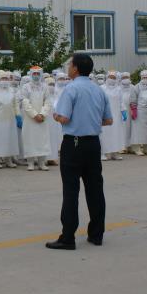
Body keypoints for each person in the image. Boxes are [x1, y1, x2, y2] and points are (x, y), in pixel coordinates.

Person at [47, 53, 112, 250]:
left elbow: (64, 117)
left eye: (70, 65)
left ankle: (68, 237)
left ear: (75, 68)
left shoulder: (71, 88)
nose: (68, 68)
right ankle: (96, 234)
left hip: (73, 144)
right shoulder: (98, 90)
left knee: (71, 191)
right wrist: (90, 121)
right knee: (95, 190)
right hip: (93, 143)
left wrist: (56, 116)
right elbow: (108, 120)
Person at [21, 66, 52, 171]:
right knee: (30, 139)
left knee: (42, 140)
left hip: (42, 119)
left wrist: (42, 114)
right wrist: (34, 115)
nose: (36, 76)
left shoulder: (45, 87)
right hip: (30, 118)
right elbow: (25, 102)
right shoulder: (26, 87)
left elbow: (47, 102)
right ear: (31, 74)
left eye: (38, 74)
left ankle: (41, 163)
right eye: (34, 74)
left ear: (41, 74)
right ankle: (30, 163)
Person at [0, 71, 19, 169]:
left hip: (10, 118)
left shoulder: (11, 90)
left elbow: (15, 104)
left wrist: (18, 115)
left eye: (6, 78)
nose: (5, 80)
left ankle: (8, 159)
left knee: (10, 139)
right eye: (3, 78)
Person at [99, 70, 124, 161]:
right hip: (105, 115)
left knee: (116, 134)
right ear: (107, 77)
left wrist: (123, 111)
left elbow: (121, 101)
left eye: (114, 78)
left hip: (116, 115)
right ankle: (103, 153)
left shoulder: (119, 89)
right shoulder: (102, 88)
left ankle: (115, 152)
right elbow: (99, 101)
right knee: (104, 134)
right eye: (110, 77)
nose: (112, 79)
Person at [129, 70, 147, 156]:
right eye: (144, 77)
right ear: (141, 77)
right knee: (137, 130)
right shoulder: (136, 87)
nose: (145, 79)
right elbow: (132, 99)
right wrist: (134, 110)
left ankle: (146, 148)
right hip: (139, 111)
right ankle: (136, 148)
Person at [46, 77, 63, 165]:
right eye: (49, 84)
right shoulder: (44, 96)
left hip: (54, 122)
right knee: (46, 139)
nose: (51, 86)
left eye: (53, 84)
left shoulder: (56, 96)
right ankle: (45, 159)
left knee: (53, 139)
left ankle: (52, 158)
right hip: (45, 121)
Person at [119, 72, 133, 154]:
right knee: (123, 129)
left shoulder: (133, 87)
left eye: (127, 77)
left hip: (131, 111)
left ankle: (130, 146)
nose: (126, 79)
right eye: (124, 77)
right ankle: (122, 146)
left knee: (130, 128)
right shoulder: (118, 88)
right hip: (122, 111)